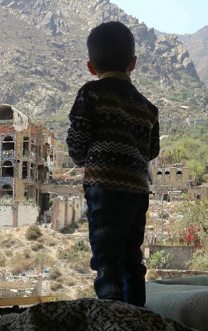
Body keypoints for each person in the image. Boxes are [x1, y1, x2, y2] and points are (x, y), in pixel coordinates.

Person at [66, 21, 160, 306]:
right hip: (137, 192)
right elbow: (152, 151)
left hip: (104, 192)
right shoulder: (147, 107)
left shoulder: (91, 94)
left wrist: (89, 159)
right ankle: (137, 318)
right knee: (133, 259)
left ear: (91, 67)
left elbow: (77, 146)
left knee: (107, 260)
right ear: (133, 63)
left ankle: (113, 317)